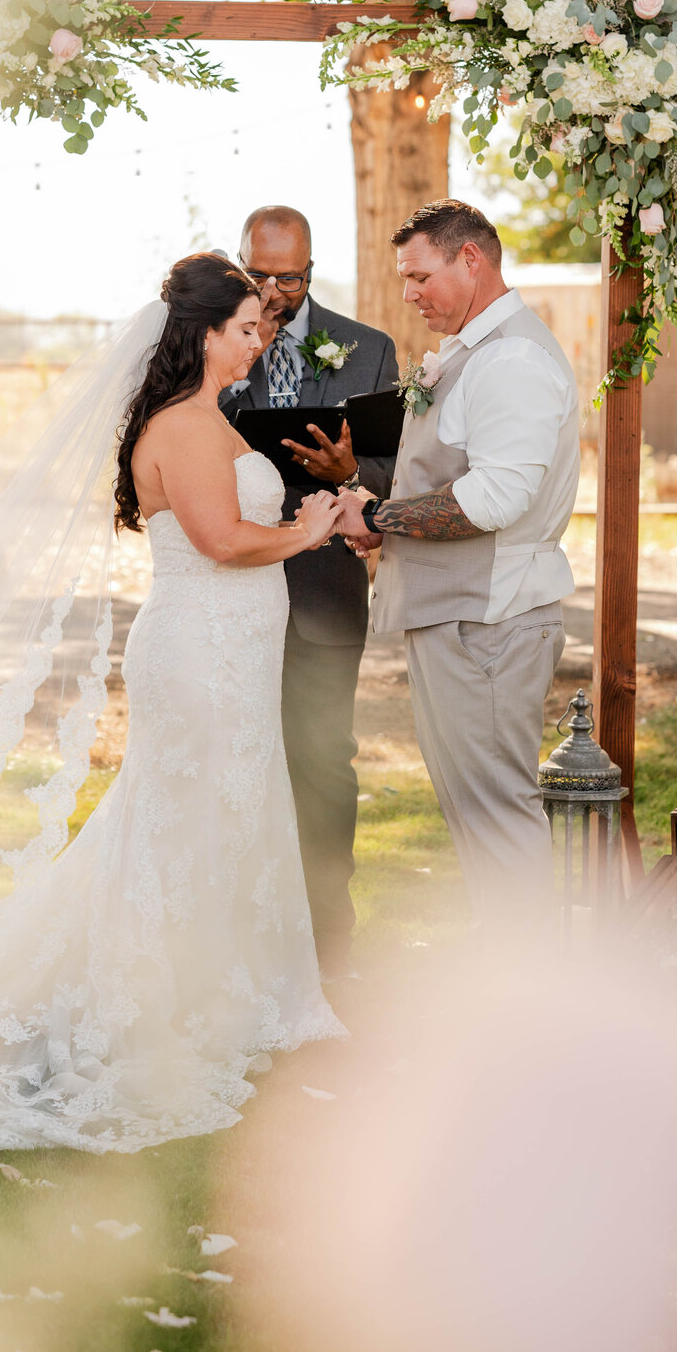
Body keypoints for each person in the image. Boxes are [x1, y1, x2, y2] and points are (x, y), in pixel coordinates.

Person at [0, 255, 346, 1154]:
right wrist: (312, 527)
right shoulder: (185, 425)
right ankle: (163, 1001)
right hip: (202, 653)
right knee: (187, 823)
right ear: (205, 332)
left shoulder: (208, 420)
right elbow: (219, 540)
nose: (261, 339)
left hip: (229, 653)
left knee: (221, 817)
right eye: (248, 326)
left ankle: (224, 988)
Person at [336, 200, 581, 923]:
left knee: (499, 817)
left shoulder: (513, 359)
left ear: (471, 258)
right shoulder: (476, 351)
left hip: (492, 623)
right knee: (475, 817)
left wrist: (380, 516)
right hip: (462, 620)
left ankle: (535, 997)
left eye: (420, 275)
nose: (409, 293)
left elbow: (497, 496)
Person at [223, 207, 398, 977]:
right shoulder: (215, 344)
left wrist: (349, 479)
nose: (271, 290)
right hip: (235, 583)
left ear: (310, 273)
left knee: (323, 754)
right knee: (236, 752)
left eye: (285, 278)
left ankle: (328, 931)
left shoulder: (368, 350)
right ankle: (242, 923)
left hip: (325, 587)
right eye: (257, 274)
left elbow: (393, 477)